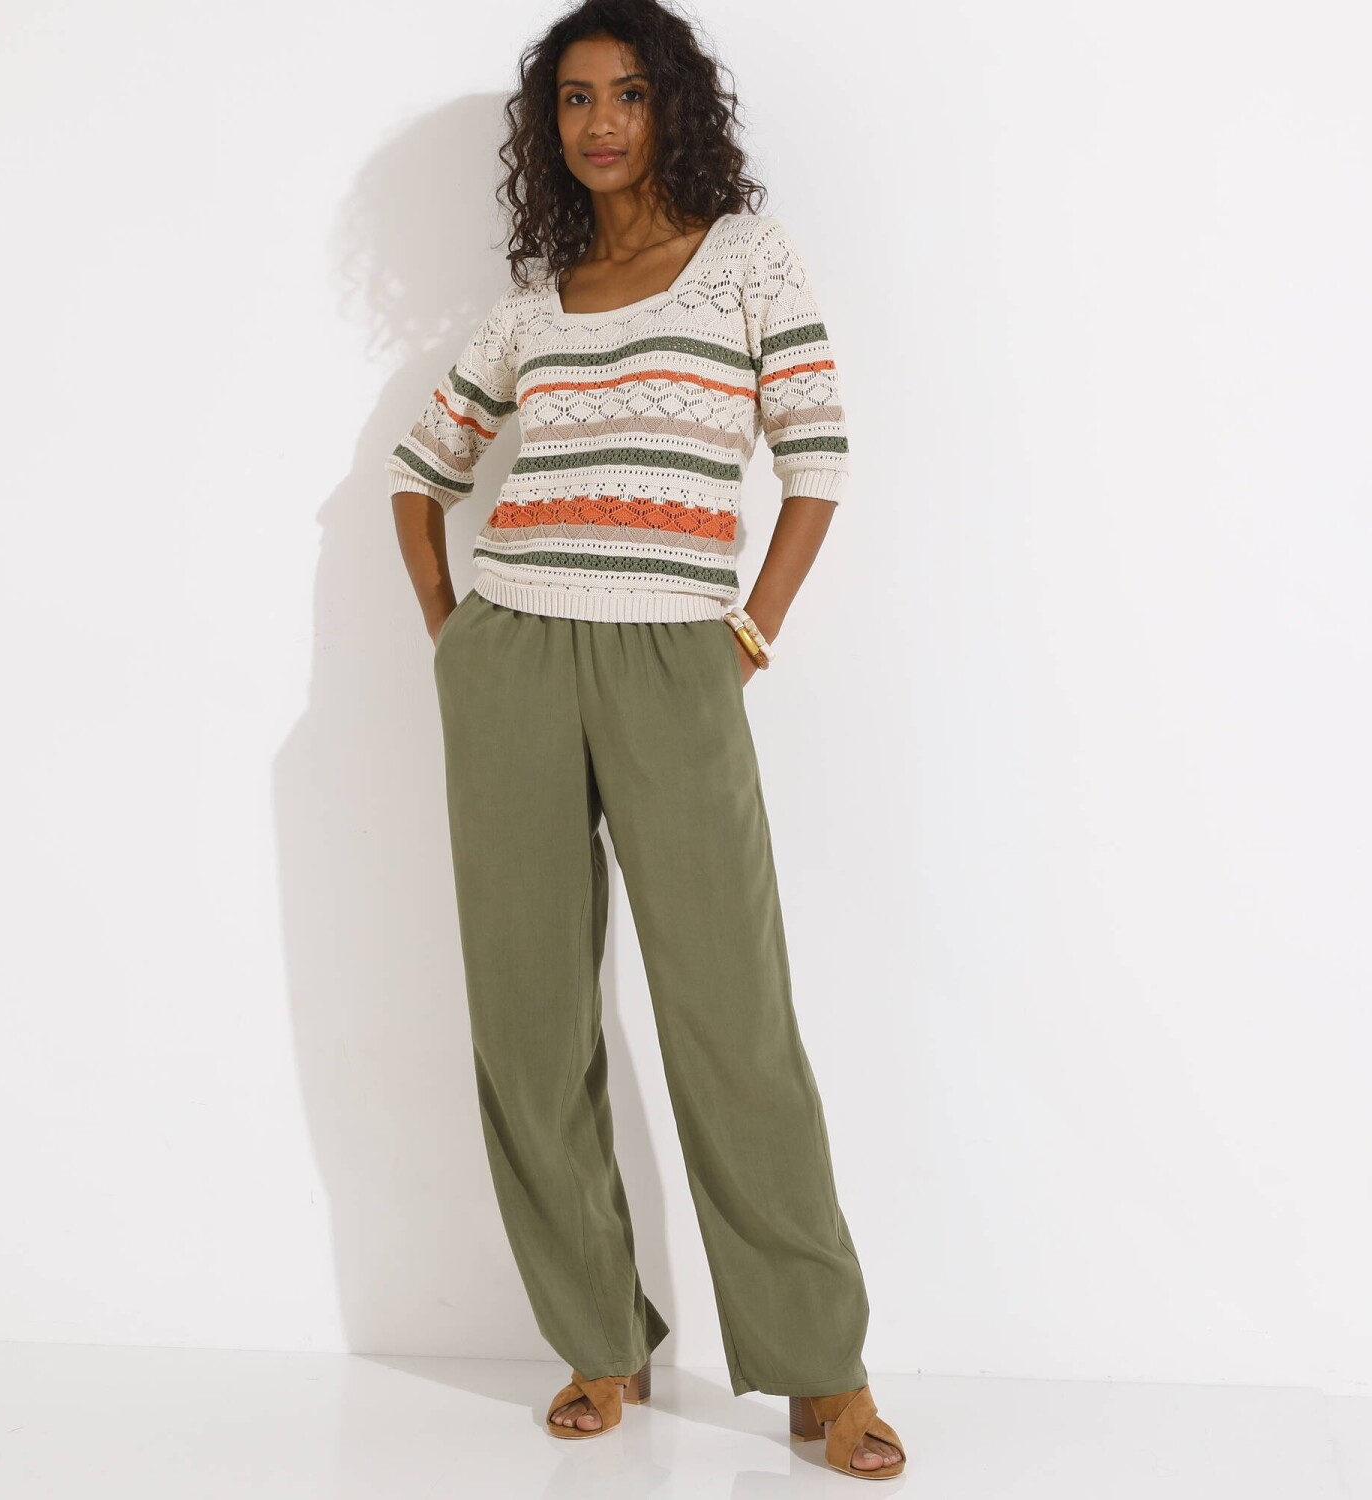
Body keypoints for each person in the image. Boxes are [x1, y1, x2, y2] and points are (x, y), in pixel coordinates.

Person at [387, 0, 904, 1480]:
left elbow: (817, 457)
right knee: (528, 1020)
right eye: (572, 100)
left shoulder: (745, 259)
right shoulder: (536, 306)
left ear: (674, 104)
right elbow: (421, 473)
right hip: (513, 658)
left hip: (679, 655)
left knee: (733, 1017)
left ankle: (821, 1369)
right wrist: (457, 638)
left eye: (626, 92)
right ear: (548, 128)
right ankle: (597, 1339)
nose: (600, 121)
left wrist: (750, 633)